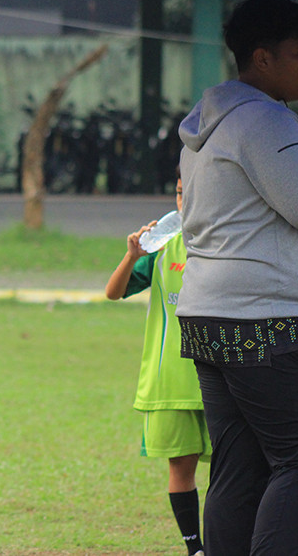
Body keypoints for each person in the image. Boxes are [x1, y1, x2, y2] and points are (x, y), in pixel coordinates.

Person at [177, 0, 298, 555]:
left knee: (240, 469)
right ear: (262, 58)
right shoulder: (265, 119)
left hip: (208, 318)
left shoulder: (210, 124)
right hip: (269, 323)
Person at [105, 173, 209, 556]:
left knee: (233, 469)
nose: (184, 201)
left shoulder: (227, 242)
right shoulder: (163, 244)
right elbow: (113, 292)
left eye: (191, 192)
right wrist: (132, 255)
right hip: (170, 383)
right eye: (180, 193)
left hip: (222, 377)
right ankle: (195, 549)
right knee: (181, 469)